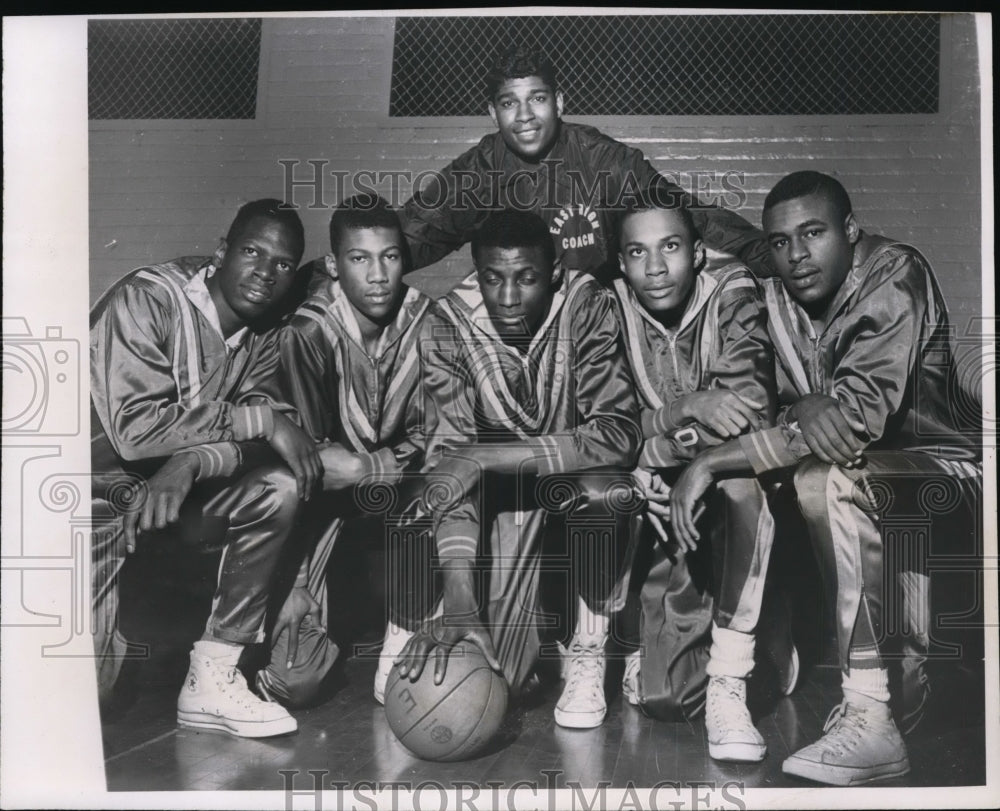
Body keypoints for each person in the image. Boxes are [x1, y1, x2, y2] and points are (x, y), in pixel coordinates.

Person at [670, 171, 983, 785]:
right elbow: (771, 411)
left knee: (825, 480)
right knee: (779, 478)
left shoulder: (896, 273)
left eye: (812, 234)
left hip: (943, 472)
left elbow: (857, 420)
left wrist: (709, 461)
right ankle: (752, 656)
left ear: (850, 231)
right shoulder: (777, 299)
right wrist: (805, 407)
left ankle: (869, 716)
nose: (796, 255)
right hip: (867, 483)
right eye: (780, 241)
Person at [394, 210, 644, 729]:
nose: (507, 297)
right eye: (492, 278)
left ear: (553, 271)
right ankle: (516, 629)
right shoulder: (448, 321)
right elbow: (449, 468)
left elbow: (618, 433)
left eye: (526, 278)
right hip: (508, 499)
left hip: (580, 486)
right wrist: (460, 600)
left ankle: (590, 643)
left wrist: (486, 455)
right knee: (497, 683)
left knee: (607, 494)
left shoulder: (586, 303)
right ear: (476, 271)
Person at [90, 198, 322, 738]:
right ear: (222, 251)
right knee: (81, 698)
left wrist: (190, 462)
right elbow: (134, 427)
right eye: (251, 252)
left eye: (283, 264)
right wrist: (258, 420)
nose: (265, 273)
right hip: (84, 497)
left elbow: (273, 441)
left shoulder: (268, 333)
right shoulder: (147, 298)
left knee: (278, 487)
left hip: (170, 496)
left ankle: (213, 676)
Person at [610, 194, 784, 761]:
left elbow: (749, 413)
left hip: (727, 488)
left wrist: (667, 453)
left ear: (699, 251)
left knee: (742, 483)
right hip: (660, 498)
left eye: (671, 247)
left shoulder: (733, 289)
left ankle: (736, 672)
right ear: (621, 262)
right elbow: (601, 426)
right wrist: (682, 413)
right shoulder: (607, 304)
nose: (655, 268)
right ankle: (640, 646)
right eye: (638, 252)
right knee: (665, 699)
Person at [252, 194, 436, 708]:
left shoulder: (430, 323)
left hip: (402, 494)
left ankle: (410, 628)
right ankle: (276, 621)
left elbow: (443, 439)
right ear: (333, 265)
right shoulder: (306, 333)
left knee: (441, 486)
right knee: (296, 682)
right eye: (360, 258)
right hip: (321, 507)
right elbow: (303, 469)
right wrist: (294, 582)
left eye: (391, 257)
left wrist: (370, 464)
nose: (378, 275)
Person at [399, 44, 773, 283]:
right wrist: (357, 264)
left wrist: (772, 256)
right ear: (492, 113)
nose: (525, 115)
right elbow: (418, 230)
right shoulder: (479, 171)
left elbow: (689, 216)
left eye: (538, 99)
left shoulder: (602, 160)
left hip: (597, 318)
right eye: (510, 103)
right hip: (516, 320)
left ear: (559, 103)